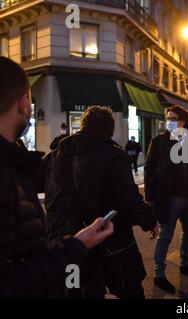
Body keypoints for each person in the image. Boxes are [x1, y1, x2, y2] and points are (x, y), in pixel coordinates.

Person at [0, 56, 113, 298]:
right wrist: (77, 246)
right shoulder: (7, 173)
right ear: (23, 104)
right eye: (29, 100)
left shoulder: (17, 165)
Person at [45, 106, 158, 299]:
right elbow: (127, 199)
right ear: (111, 130)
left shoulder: (55, 155)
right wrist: (149, 221)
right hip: (110, 238)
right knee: (130, 290)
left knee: (76, 291)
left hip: (66, 239)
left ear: (83, 126)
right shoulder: (114, 155)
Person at [145, 105, 188, 294]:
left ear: (184, 121)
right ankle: (159, 275)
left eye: (174, 118)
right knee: (165, 236)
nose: (170, 121)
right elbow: (149, 170)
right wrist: (150, 198)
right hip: (169, 198)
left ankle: (186, 264)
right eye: (168, 118)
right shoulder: (159, 142)